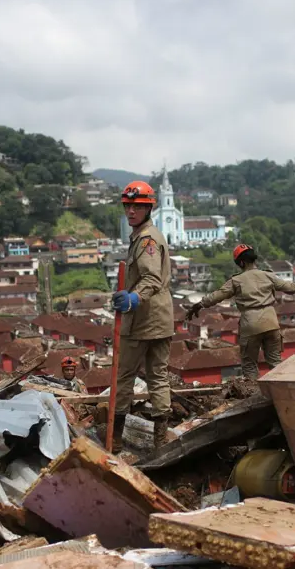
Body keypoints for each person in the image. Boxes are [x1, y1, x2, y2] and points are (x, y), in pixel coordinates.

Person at [110, 181, 174, 454]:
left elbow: (150, 277)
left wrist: (133, 298)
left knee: (124, 377)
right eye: (128, 206)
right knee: (158, 377)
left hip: (143, 321)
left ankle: (114, 438)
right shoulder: (147, 235)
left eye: (138, 206)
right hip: (161, 319)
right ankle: (160, 440)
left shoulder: (147, 239)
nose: (131, 211)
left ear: (149, 208)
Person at [186, 244, 295, 379]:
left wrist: (200, 304)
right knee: (276, 363)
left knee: (249, 364)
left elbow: (217, 295)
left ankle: (254, 394)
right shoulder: (268, 275)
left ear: (241, 262)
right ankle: (281, 393)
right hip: (271, 323)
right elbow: (291, 288)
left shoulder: (236, 280)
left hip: (250, 324)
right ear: (254, 259)